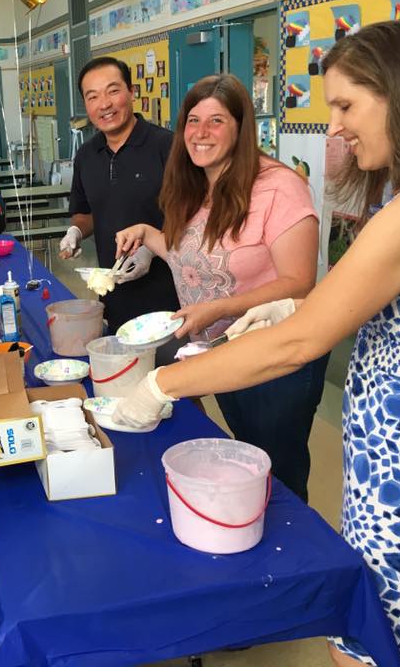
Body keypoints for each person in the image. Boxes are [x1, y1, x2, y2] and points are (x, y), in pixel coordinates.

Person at [113, 21, 400, 667]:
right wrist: (289, 305)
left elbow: (299, 345)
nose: (336, 129)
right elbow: (375, 308)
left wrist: (161, 384)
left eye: (346, 106)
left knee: (377, 643)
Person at [115, 74, 328, 501]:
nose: (201, 133)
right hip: (222, 349)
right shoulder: (195, 183)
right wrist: (148, 236)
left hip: (275, 352)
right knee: (246, 457)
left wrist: (220, 308)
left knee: (277, 471)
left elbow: (299, 282)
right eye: (193, 121)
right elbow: (195, 255)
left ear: (241, 127)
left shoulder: (278, 187)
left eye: (216, 121)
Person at [60, 56, 179, 332]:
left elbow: (193, 217)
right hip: (115, 296)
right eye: (93, 96)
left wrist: (151, 248)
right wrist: (75, 232)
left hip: (170, 298)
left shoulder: (167, 146)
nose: (104, 104)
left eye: (113, 91)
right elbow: (85, 212)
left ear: (131, 92)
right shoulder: (86, 155)